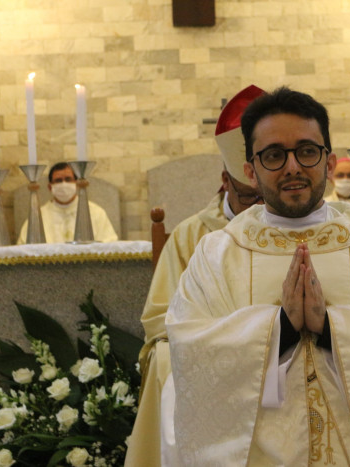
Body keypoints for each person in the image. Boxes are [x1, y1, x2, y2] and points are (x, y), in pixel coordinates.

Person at [154, 87, 350, 465]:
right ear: (249, 171)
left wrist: (329, 327)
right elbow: (190, 350)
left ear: (329, 162)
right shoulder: (217, 255)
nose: (293, 167)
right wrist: (281, 328)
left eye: (307, 151)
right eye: (274, 155)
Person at [125, 85, 265, 465]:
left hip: (280, 349)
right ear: (227, 179)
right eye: (251, 198)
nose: (259, 211)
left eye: (267, 198)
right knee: (167, 361)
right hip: (209, 349)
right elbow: (160, 319)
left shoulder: (300, 226)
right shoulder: (194, 234)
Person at [16, 162, 118, 244]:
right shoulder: (38, 216)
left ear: (77, 184)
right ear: (50, 187)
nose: (63, 184)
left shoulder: (95, 213)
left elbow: (110, 244)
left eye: (68, 179)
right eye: (58, 180)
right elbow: (25, 249)